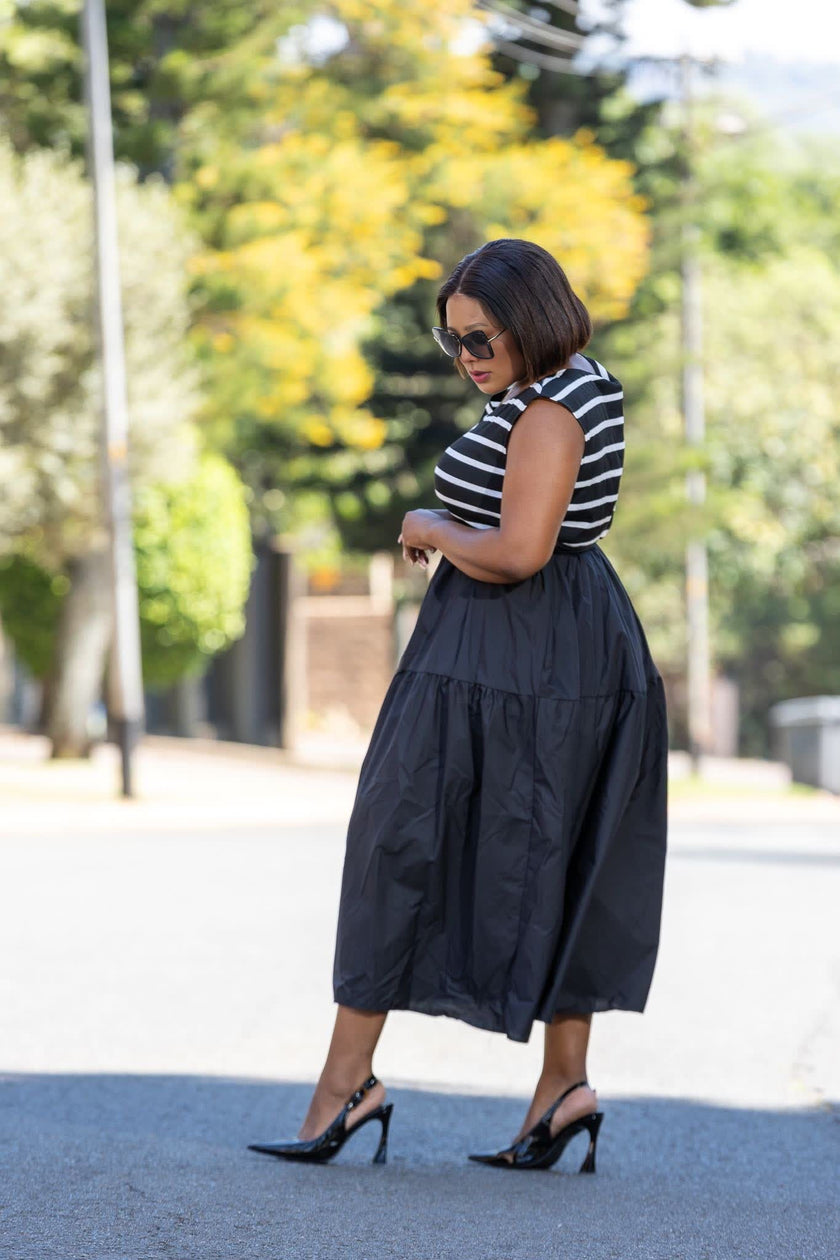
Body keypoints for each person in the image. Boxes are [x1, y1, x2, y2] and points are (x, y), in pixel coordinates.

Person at [248, 238, 668, 1173]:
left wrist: (430, 525)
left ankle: (349, 1086)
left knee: (401, 837)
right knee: (549, 850)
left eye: (480, 338)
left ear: (531, 320)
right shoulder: (561, 387)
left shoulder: (551, 412)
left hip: (520, 652)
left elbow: (521, 549)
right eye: (453, 343)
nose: (468, 357)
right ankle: (560, 1089)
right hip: (534, 648)